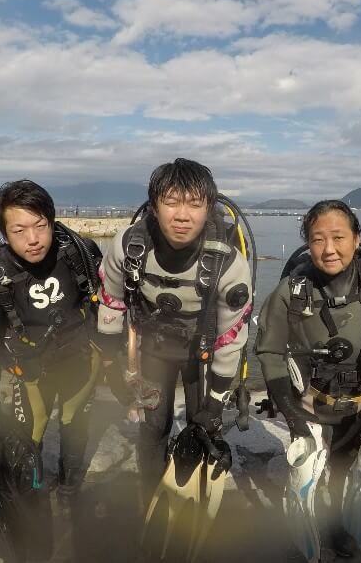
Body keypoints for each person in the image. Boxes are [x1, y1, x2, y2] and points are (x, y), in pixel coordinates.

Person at [256, 199, 361, 559]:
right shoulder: (290, 293)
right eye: (317, 239)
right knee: (307, 474)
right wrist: (288, 411)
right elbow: (269, 352)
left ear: (357, 239)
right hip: (309, 408)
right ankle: (307, 527)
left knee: (347, 467)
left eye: (338, 237)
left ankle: (337, 524)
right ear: (307, 243)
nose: (329, 249)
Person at [95, 158, 253, 502]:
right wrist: (109, 365)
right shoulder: (128, 246)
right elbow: (111, 302)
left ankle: (195, 495)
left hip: (203, 352)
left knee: (203, 425)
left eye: (194, 204)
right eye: (171, 202)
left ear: (208, 209)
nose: (182, 216)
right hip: (155, 348)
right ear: (154, 206)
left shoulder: (228, 262)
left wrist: (216, 401)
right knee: (153, 428)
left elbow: (230, 338)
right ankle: (150, 496)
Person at [0, 180, 106, 497]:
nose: (33, 239)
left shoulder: (78, 253)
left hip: (80, 360)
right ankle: (30, 491)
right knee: (30, 433)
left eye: (40, 226)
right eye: (19, 230)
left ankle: (69, 487)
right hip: (31, 371)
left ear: (52, 221)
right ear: (4, 233)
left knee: (75, 424)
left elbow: (105, 306)